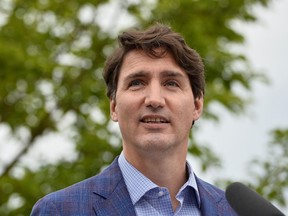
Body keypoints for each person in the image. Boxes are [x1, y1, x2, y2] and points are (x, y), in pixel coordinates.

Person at [31, 23, 237, 215]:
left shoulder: (237, 211)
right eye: (137, 83)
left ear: (197, 105)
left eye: (171, 83)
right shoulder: (60, 211)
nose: (155, 100)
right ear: (114, 106)